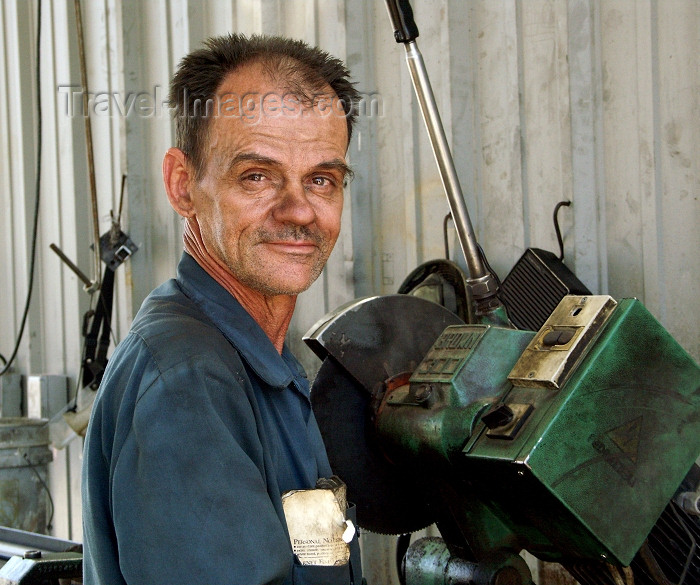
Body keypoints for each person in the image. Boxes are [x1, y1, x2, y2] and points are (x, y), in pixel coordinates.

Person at [81, 33, 363, 585]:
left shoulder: (254, 358)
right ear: (183, 186)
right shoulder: (190, 382)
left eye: (322, 180)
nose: (299, 211)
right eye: (257, 176)